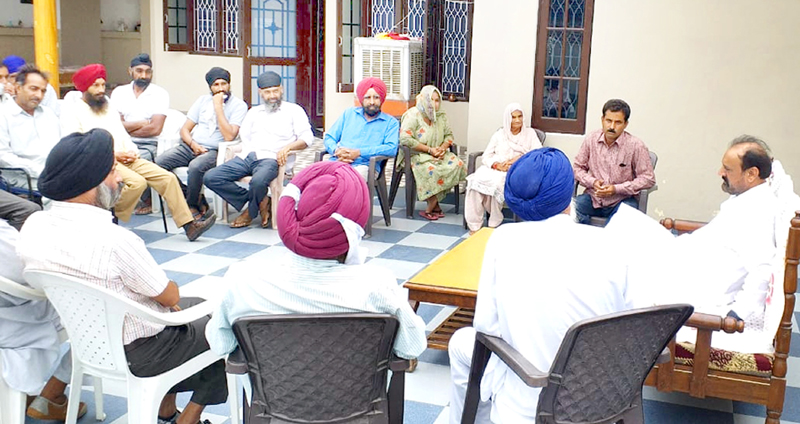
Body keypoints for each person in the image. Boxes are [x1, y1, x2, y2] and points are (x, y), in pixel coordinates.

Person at [16, 129, 227, 424]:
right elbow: (169, 296)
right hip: (142, 352)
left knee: (190, 313)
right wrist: (171, 301)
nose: (122, 179)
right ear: (92, 182)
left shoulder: (33, 225)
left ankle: (165, 408)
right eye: (114, 171)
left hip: (86, 339)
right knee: (221, 324)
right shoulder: (114, 240)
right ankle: (187, 419)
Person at [448, 147, 637, 424]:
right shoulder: (613, 244)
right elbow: (629, 320)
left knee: (461, 343)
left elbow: (487, 329)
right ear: (567, 195)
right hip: (603, 401)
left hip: (530, 398)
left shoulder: (503, 240)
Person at [205, 160, 426, 360]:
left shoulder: (242, 281)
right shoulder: (377, 285)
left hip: (270, 403)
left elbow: (221, 344)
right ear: (356, 228)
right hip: (359, 404)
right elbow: (411, 348)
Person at [606, 136, 781, 353]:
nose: (720, 173)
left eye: (727, 169)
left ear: (752, 174)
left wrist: (736, 316)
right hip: (686, 256)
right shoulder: (747, 197)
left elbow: (762, 270)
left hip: (695, 281)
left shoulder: (760, 212)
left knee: (621, 261)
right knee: (627, 222)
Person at [60, 64, 215, 241]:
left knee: (167, 178)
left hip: (127, 156)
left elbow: (121, 133)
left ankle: (189, 225)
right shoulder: (73, 112)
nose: (101, 90)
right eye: (96, 85)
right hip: (101, 161)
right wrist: (115, 155)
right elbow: (78, 144)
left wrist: (133, 152)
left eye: (103, 85)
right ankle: (109, 219)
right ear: (83, 87)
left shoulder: (107, 107)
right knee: (137, 183)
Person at [0, 218, 88, 421]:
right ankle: (52, 393)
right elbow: (28, 271)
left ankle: (38, 395)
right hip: (15, 322)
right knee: (96, 312)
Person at [204, 71, 313, 229]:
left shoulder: (294, 110)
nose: (272, 95)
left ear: (282, 89)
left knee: (258, 181)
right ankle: (258, 200)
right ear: (260, 93)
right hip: (249, 157)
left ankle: (250, 212)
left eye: (275, 91)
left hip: (273, 159)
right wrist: (247, 154)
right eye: (267, 92)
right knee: (211, 177)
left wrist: (288, 147)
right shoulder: (253, 112)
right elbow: (245, 138)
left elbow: (307, 138)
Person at [157, 67, 248, 220]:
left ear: (229, 85)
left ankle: (191, 204)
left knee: (196, 167)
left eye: (223, 84)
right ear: (210, 88)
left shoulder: (239, 105)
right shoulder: (202, 101)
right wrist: (193, 144)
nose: (220, 89)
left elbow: (229, 136)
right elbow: (185, 130)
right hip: (191, 146)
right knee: (159, 163)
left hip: (215, 150)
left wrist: (218, 108)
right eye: (216, 85)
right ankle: (192, 195)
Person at [572, 99, 655, 224]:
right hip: (594, 198)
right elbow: (577, 168)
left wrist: (616, 189)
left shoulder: (636, 146)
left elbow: (648, 178)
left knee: (622, 221)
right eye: (609, 121)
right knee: (570, 210)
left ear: (625, 124)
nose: (611, 127)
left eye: (618, 122)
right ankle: (587, 240)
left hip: (622, 200)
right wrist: (593, 182)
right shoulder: (591, 139)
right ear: (602, 120)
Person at [464, 103, 542, 234]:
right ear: (507, 119)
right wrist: (497, 165)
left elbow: (538, 154)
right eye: (513, 117)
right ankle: (474, 226)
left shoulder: (530, 134)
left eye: (520, 116)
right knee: (475, 182)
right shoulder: (499, 135)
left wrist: (516, 161)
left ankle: (494, 221)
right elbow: (487, 156)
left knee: (496, 184)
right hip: (496, 167)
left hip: (517, 171)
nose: (517, 120)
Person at [110, 53, 170, 214]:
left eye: (148, 71)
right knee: (105, 159)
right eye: (139, 71)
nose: (144, 75)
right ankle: (113, 202)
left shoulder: (160, 94)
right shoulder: (119, 92)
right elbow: (115, 125)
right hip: (122, 142)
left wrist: (126, 127)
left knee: (135, 160)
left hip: (150, 144)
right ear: (130, 71)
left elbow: (155, 129)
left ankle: (142, 200)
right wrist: (141, 123)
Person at [399, 85, 466, 220]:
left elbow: (449, 136)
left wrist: (442, 148)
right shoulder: (413, 115)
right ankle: (432, 204)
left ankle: (434, 201)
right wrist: (429, 150)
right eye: (431, 100)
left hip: (438, 153)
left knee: (458, 164)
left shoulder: (441, 115)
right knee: (432, 169)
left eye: (437, 100)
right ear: (423, 99)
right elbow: (405, 139)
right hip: (417, 154)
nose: (434, 104)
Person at [323, 77, 399, 179]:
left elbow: (391, 148)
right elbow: (329, 137)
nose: (372, 102)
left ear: (382, 99)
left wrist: (359, 153)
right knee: (317, 178)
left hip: (365, 166)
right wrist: (336, 151)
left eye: (376, 97)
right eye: (367, 98)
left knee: (350, 180)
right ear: (361, 99)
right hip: (338, 161)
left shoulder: (390, 123)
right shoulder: (349, 114)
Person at [0, 66, 60, 191]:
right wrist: (40, 171)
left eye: (43, 91)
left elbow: (61, 146)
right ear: (18, 87)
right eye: (34, 89)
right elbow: (3, 156)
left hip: (55, 174)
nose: (39, 95)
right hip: (23, 179)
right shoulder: (4, 115)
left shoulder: (48, 114)